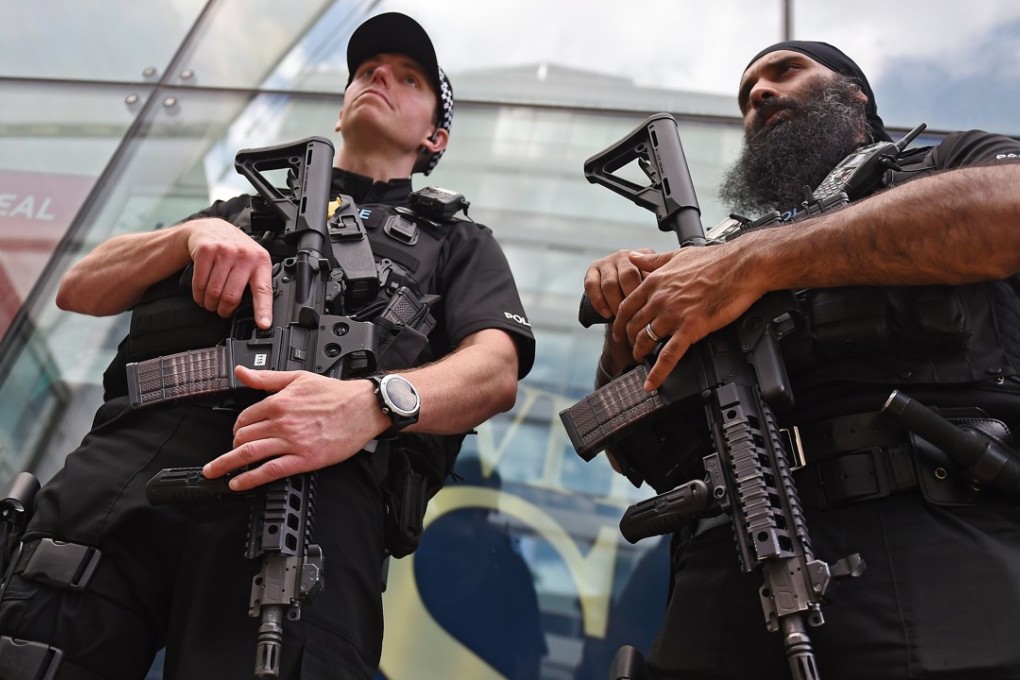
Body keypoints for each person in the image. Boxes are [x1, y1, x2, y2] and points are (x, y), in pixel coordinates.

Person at [0, 11, 534, 680]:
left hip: (311, 491)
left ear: (436, 135)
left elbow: (495, 370)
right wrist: (186, 238)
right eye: (367, 72)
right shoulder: (243, 211)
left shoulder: (458, 244)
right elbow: (80, 287)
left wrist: (370, 405)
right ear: (340, 112)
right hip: (131, 471)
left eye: (409, 78)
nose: (380, 80)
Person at [583, 41, 1020, 679]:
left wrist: (755, 262)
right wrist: (629, 322)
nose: (759, 93)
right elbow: (631, 452)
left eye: (786, 71)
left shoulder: (949, 163)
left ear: (857, 95)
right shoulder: (715, 259)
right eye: (746, 91)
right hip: (735, 569)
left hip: (942, 546)